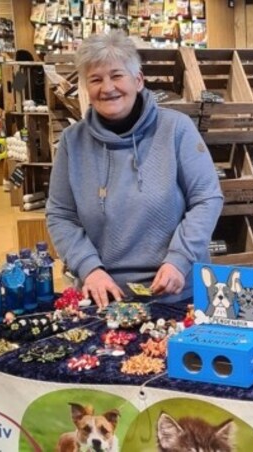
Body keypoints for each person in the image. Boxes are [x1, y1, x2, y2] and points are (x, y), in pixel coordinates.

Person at [46, 31, 223, 308]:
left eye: (117, 76)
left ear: (138, 80)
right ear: (86, 88)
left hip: (176, 292)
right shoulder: (72, 141)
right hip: (103, 295)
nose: (107, 88)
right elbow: (60, 214)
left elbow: (207, 198)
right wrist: (89, 268)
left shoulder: (177, 129)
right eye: (95, 79)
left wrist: (179, 260)